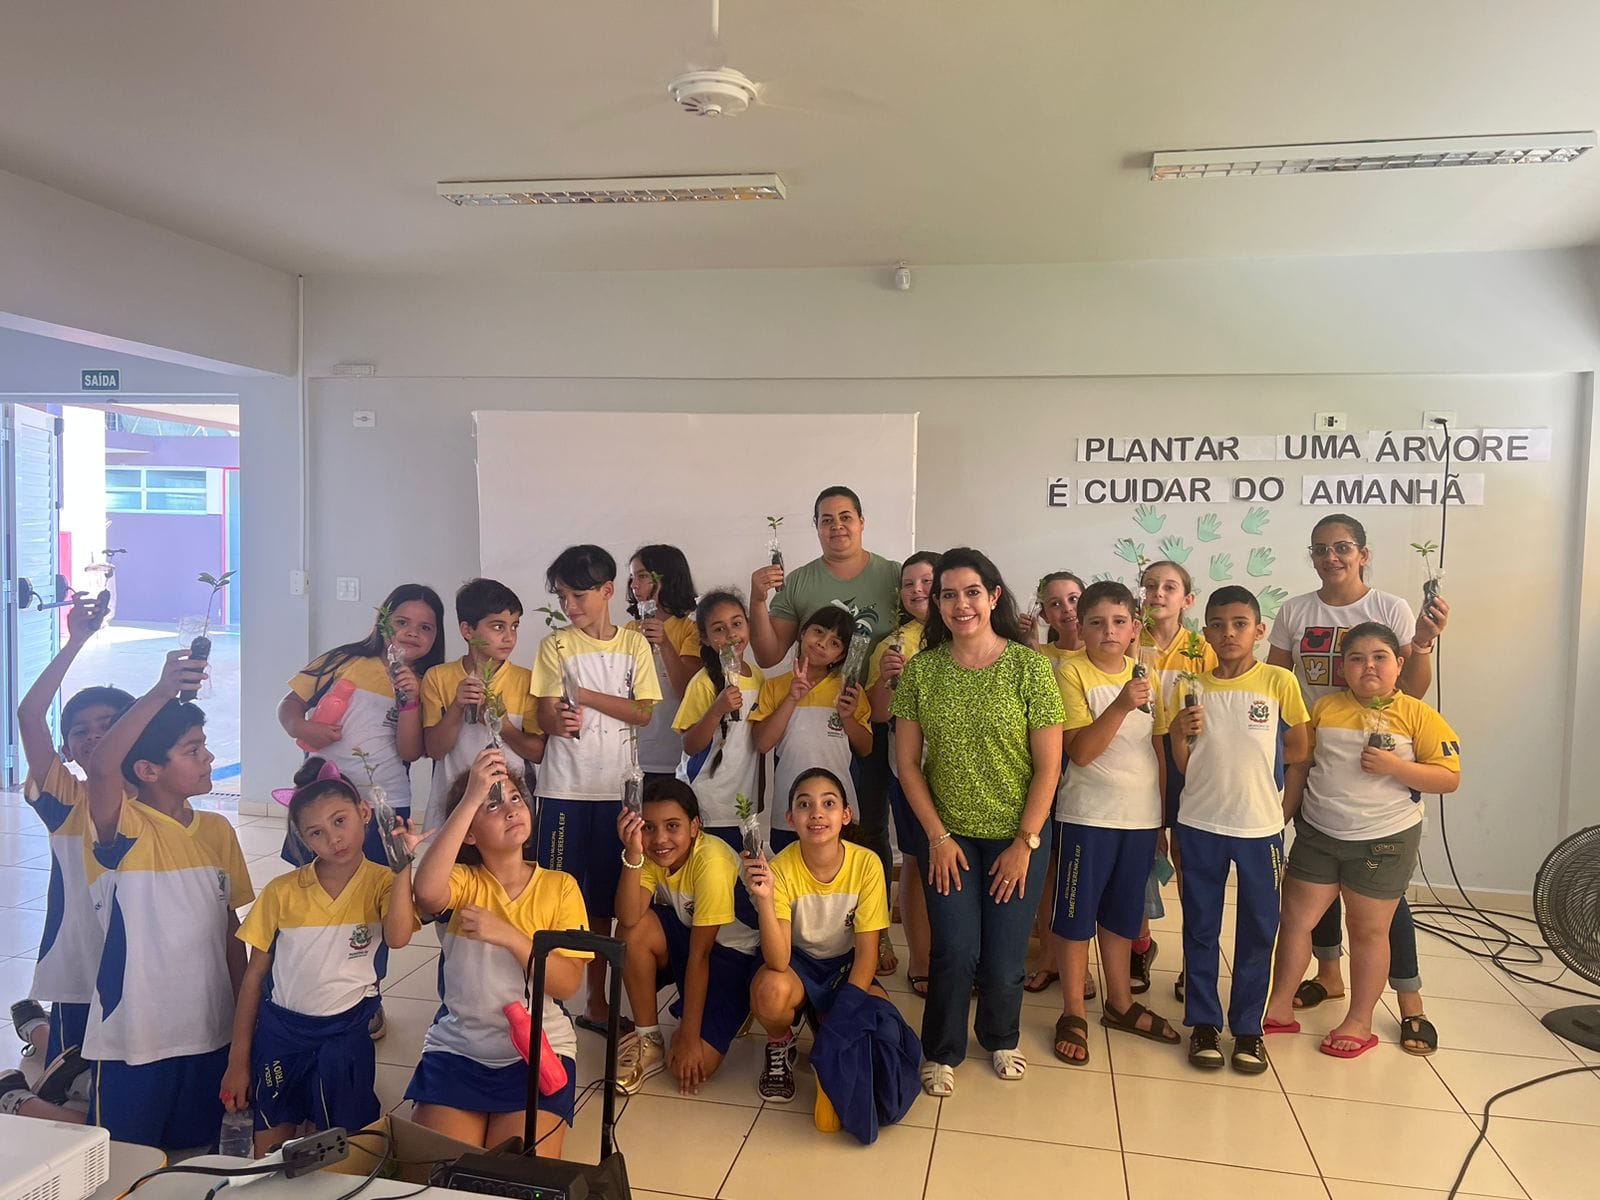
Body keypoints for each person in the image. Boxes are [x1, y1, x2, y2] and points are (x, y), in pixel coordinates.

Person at [1265, 513, 1451, 1054]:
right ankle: (1328, 977)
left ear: (1363, 553)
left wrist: (1424, 643)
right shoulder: (1296, 610)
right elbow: (1277, 683)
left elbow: (1411, 688)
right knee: (1313, 885)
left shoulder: (1388, 608)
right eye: (1320, 548)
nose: (1332, 557)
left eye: (1343, 547)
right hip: (1317, 758)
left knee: (1379, 907)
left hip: (1380, 789)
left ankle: (1408, 1002)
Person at [891, 547, 1064, 1097]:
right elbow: (907, 765)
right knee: (956, 950)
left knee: (1006, 953)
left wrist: (1026, 842)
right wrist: (936, 838)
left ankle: (1000, 1035)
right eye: (947, 594)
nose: (960, 604)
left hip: (1019, 835)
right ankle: (941, 1049)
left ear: (992, 597)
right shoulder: (923, 671)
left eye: (971, 592)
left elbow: (1049, 766)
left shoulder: (1028, 668)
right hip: (952, 839)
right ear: (936, 603)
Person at [83, 649, 254, 1150]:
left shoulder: (219, 830)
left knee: (192, 1153)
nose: (209, 758)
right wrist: (160, 693)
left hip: (209, 1031)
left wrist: (246, 1017)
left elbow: (230, 930)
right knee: (123, 1159)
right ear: (148, 769)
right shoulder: (124, 827)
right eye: (192, 749)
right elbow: (101, 767)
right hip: (136, 1035)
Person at [222, 759, 421, 1155]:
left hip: (345, 1033)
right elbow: (253, 978)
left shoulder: (383, 882)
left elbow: (398, 937)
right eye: (317, 832)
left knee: (347, 1148)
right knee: (268, 1152)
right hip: (281, 1033)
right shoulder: (281, 892)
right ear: (303, 839)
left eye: (340, 821)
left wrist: (403, 869)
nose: (334, 838)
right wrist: (238, 1059)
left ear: (364, 814)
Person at [747, 486, 903, 968]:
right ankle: (792, 932)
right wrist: (758, 597)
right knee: (801, 837)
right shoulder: (799, 583)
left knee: (867, 829)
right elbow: (771, 654)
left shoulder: (894, 576)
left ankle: (871, 933)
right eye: (826, 519)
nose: (837, 526)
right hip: (810, 723)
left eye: (845, 517)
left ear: (862, 520)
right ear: (816, 527)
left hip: (868, 713)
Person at [408, 748, 589, 1155]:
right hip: (459, 1049)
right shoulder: (463, 881)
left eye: (515, 798)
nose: (510, 809)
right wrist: (471, 796)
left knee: (516, 1174)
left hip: (539, 1050)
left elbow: (568, 983)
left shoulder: (561, 887)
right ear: (468, 832)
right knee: (442, 1175)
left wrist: (509, 935)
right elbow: (426, 891)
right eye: (491, 804)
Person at [1168, 586, 1309, 1075]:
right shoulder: (1191, 684)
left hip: (1259, 829)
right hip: (1200, 824)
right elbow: (1183, 763)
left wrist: (1281, 810)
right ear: (1205, 631)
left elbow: (1298, 752)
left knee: (1259, 929)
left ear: (1259, 630)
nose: (1229, 633)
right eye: (1218, 624)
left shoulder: (1278, 682)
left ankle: (1248, 1028)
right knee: (1201, 926)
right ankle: (1204, 1023)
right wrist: (1178, 733)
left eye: (1239, 624)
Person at [1, 595, 130, 1121]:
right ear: (69, 750)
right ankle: (16, 1094)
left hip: (141, 956)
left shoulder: (162, 797)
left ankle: (33, 1026)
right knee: (79, 1067)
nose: (96, 734)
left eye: (111, 723)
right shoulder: (65, 799)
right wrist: (75, 638)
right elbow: (30, 713)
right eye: (82, 730)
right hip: (82, 956)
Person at [1050, 582, 1180, 1066]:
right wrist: (1122, 703)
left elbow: (1159, 749)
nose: (1109, 631)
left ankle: (1120, 1003)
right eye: (1097, 622)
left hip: (1141, 818)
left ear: (1134, 628)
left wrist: (1162, 820)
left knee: (1124, 914)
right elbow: (1080, 752)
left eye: (1119, 622)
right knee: (1076, 914)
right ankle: (1071, 1012)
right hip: (1088, 816)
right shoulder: (1070, 674)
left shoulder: (1146, 675)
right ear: (1080, 627)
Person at [533, 545, 661, 1032]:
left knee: (606, 903)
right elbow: (545, 712)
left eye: (579, 595)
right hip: (564, 790)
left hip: (616, 790)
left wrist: (583, 696)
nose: (571, 606)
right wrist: (558, 717)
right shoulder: (555, 646)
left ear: (608, 591)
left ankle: (595, 1001)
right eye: (563, 597)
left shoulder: (634, 647)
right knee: (555, 894)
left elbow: (644, 713)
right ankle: (546, 996)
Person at [740, 768, 890, 1124]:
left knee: (880, 1017)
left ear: (845, 815)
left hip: (844, 967)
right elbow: (778, 960)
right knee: (770, 990)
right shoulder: (782, 867)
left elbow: (868, 954)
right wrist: (764, 897)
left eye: (828, 803)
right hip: (797, 966)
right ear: (790, 818)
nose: (817, 813)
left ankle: (824, 1018)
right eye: (805, 805)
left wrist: (847, 1009)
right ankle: (780, 1043)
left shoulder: (867, 864)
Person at [612, 779, 761, 1096]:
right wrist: (633, 852)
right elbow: (626, 918)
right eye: (649, 828)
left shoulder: (712, 862)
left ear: (695, 826)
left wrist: (691, 1037)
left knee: (693, 1064)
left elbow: (701, 955)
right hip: (692, 936)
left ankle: (741, 1004)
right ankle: (648, 1037)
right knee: (631, 931)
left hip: (735, 955)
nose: (660, 839)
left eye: (672, 826)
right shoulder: (650, 854)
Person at [278, 583, 443, 867]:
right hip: (322, 796)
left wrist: (410, 701)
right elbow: (290, 704)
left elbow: (410, 752)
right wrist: (300, 727)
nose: (412, 632)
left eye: (425, 627)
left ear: (436, 636)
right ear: (383, 623)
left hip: (386, 802)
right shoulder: (343, 660)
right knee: (316, 877)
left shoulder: (429, 683)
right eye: (402, 622)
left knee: (379, 882)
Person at [1136, 559, 1217, 1000]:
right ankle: (1139, 944)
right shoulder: (1130, 640)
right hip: (1138, 752)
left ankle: (1194, 960)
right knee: (1142, 854)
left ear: (1187, 600)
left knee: (1189, 861)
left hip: (1187, 756)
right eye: (1150, 586)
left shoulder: (1202, 648)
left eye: (1169, 587)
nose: (1158, 594)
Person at [866, 552, 940, 997]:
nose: (917, 591)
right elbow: (877, 714)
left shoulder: (971, 636)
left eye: (927, 581)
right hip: (910, 770)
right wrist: (888, 680)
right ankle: (923, 958)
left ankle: (962, 957)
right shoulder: (892, 644)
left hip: (970, 772)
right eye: (909, 584)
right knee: (916, 859)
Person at [421, 578, 544, 839]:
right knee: (451, 877)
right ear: (467, 630)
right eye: (498, 626)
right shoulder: (438, 678)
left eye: (514, 626)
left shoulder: (527, 680)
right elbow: (434, 749)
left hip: (510, 814)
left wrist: (504, 724)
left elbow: (538, 752)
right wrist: (457, 707)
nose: (509, 637)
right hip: (452, 810)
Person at [750, 605, 872, 852]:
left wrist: (848, 718)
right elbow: (762, 743)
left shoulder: (849, 691)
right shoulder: (775, 687)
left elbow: (866, 748)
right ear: (803, 633)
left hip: (838, 812)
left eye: (835, 643)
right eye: (818, 632)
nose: (822, 643)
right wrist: (792, 698)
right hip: (791, 808)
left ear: (840, 656)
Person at [672, 590, 764, 851]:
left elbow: (757, 744)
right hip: (706, 804)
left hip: (743, 805)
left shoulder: (758, 678)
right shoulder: (703, 683)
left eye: (737, 624)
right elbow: (690, 745)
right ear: (705, 637)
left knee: (739, 879)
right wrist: (716, 710)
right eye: (719, 629)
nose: (731, 634)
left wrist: (760, 793)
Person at [626, 546, 702, 783]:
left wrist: (665, 644)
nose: (634, 585)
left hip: (677, 755)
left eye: (642, 576)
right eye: (632, 577)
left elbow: (687, 691)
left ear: (665, 579)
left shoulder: (692, 629)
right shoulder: (628, 631)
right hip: (635, 757)